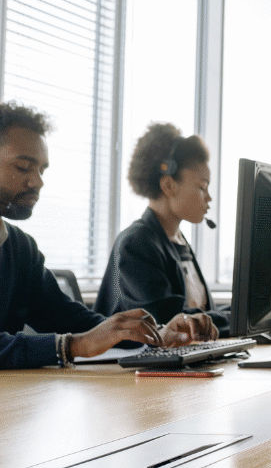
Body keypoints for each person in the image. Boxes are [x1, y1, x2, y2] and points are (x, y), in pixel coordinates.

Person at [0, 103, 216, 370]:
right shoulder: (139, 240)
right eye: (23, 167)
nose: (38, 181)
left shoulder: (20, 248)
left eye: (41, 170)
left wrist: (155, 334)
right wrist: (73, 345)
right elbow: (79, 340)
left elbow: (72, 322)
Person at [95, 123, 227, 335]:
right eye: (202, 187)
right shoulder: (136, 242)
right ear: (168, 186)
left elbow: (201, 315)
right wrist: (236, 318)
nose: (209, 197)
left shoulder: (177, 241)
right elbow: (170, 321)